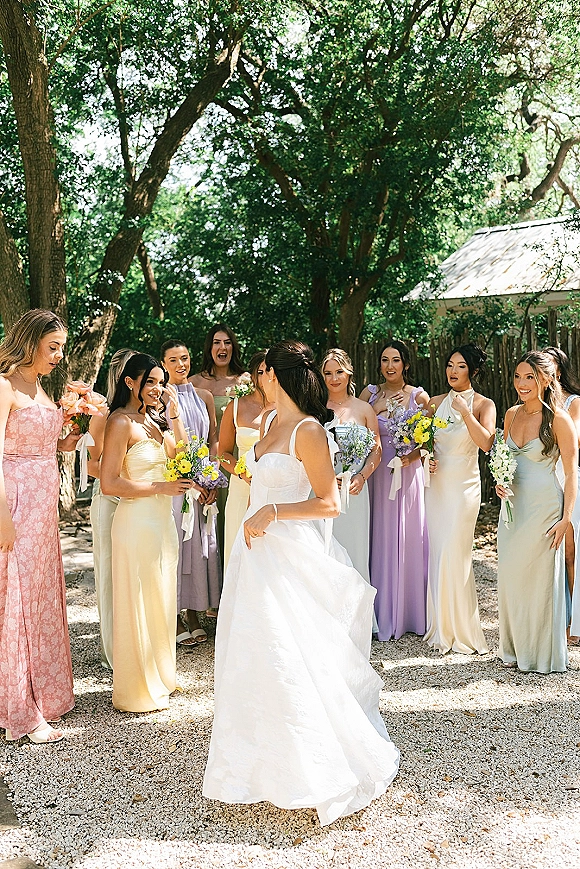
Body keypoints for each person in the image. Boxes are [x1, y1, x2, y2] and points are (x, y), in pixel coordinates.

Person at [203, 341, 400, 826]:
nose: (257, 379)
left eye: (265, 370)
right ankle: (260, 764)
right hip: (254, 556)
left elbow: (330, 502)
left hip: (290, 555)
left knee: (291, 652)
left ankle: (315, 764)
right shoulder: (268, 423)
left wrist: (274, 510)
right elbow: (253, 474)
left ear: (281, 376)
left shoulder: (309, 430)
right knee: (253, 652)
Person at [0, 309, 80, 744]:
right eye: (53, 347)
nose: (58, 355)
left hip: (43, 506)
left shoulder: (42, 387)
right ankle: (21, 709)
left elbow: (44, 442)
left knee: (41, 596)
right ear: (30, 342)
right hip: (15, 501)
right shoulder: (5, 386)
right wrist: (2, 519)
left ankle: (44, 696)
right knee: (19, 597)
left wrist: (66, 441)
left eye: (61, 347)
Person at [100, 354, 194, 712]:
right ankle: (137, 687)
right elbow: (110, 482)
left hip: (161, 524)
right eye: (150, 382)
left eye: (161, 382)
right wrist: (159, 487)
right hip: (135, 523)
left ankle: (162, 674)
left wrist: (173, 413)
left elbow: (184, 456)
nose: (157, 389)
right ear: (130, 383)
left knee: (162, 597)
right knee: (138, 600)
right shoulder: (120, 422)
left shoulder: (154, 422)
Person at [496, 351, 577, 673]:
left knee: (541, 579)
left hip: (545, 507)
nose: (522, 384)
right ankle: (515, 649)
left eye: (529, 377)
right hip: (512, 508)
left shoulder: (559, 419)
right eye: (518, 377)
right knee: (513, 577)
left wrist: (566, 519)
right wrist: (500, 483)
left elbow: (571, 474)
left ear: (547, 379)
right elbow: (502, 459)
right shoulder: (511, 414)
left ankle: (543, 654)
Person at [424, 343, 495, 655]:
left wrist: (466, 412)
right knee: (439, 551)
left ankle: (463, 631)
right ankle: (440, 627)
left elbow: (486, 443)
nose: (453, 371)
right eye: (450, 365)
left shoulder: (484, 404)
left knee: (457, 551)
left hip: (464, 487)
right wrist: (426, 456)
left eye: (461, 366)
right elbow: (422, 443)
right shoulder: (434, 402)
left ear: (474, 371)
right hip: (436, 487)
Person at [360, 341, 430, 641]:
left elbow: (429, 441)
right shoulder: (369, 394)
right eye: (385, 360)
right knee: (377, 537)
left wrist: (409, 457)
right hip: (375, 474)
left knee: (407, 536)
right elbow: (355, 429)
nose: (390, 366)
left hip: (406, 473)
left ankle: (408, 614)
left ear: (406, 365)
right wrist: (375, 409)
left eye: (396, 360)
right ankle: (376, 615)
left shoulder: (419, 396)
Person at [160, 339, 220, 647]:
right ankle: (175, 614)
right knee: (181, 548)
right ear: (164, 364)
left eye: (184, 358)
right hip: (179, 485)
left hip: (205, 484)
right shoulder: (161, 398)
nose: (181, 364)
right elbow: (167, 447)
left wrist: (211, 480)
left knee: (202, 548)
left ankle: (196, 613)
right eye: (173, 360)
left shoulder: (205, 395)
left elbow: (212, 442)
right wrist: (190, 482)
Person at [88, 348, 136, 669]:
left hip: (136, 503)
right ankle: (113, 653)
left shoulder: (142, 416)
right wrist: (116, 476)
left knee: (133, 575)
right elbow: (92, 464)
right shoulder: (101, 414)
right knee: (109, 575)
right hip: (108, 501)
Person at [190, 324, 248, 577]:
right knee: (208, 522)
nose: (222, 347)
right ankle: (210, 589)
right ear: (209, 347)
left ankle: (234, 583)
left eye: (227, 342)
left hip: (235, 458)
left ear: (233, 347)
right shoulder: (194, 382)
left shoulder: (245, 381)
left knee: (232, 517)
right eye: (216, 342)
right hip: (203, 460)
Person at [321, 349, 381, 592]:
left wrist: (362, 476)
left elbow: (376, 450)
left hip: (355, 492)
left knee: (356, 548)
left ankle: (360, 619)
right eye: (328, 373)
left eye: (339, 372)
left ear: (349, 373)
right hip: (325, 490)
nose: (334, 378)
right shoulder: (315, 407)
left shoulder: (364, 409)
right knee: (327, 549)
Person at [219, 351, 274, 569]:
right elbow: (223, 453)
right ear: (252, 375)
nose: (265, 377)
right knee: (238, 550)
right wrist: (242, 472)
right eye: (260, 372)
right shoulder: (235, 407)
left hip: (273, 490)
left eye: (269, 371)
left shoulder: (287, 408)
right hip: (242, 489)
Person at [544, 346, 580, 644]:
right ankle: (555, 617)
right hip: (543, 480)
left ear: (559, 369)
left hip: (566, 475)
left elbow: (574, 442)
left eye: (550, 365)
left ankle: (574, 622)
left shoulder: (573, 403)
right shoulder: (532, 404)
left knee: (571, 552)